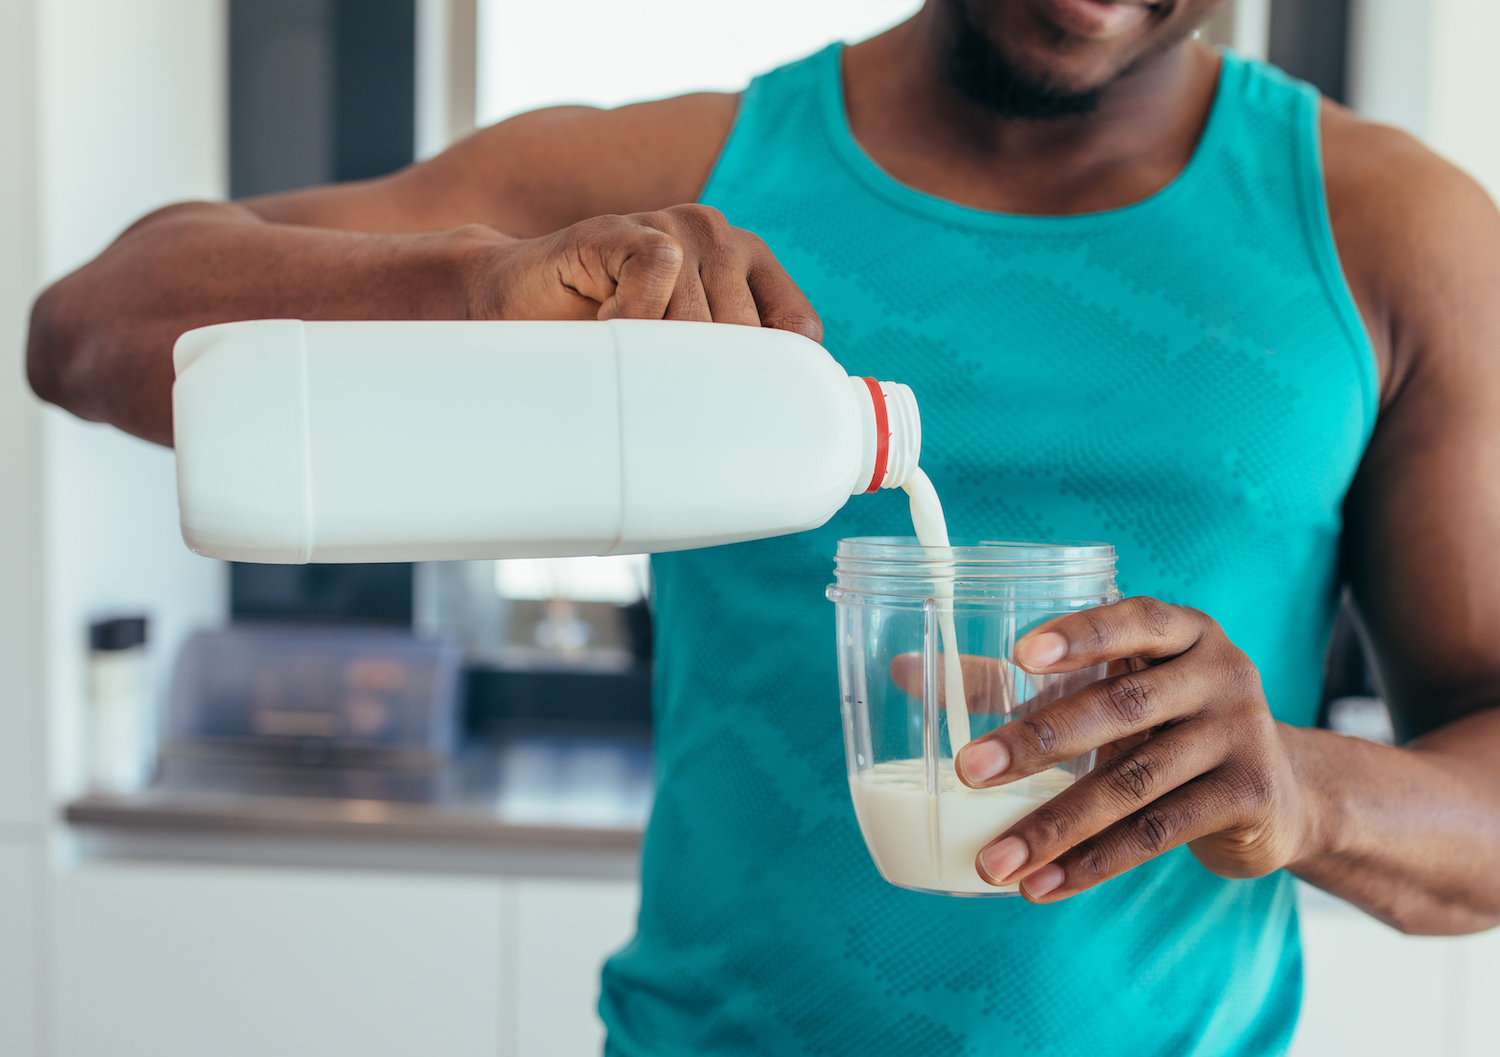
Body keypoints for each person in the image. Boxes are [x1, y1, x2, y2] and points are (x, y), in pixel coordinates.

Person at [27, 0, 1500, 1052]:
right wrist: (475, 286)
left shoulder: (1392, 235)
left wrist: (1303, 789)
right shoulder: (681, 180)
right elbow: (89, 327)